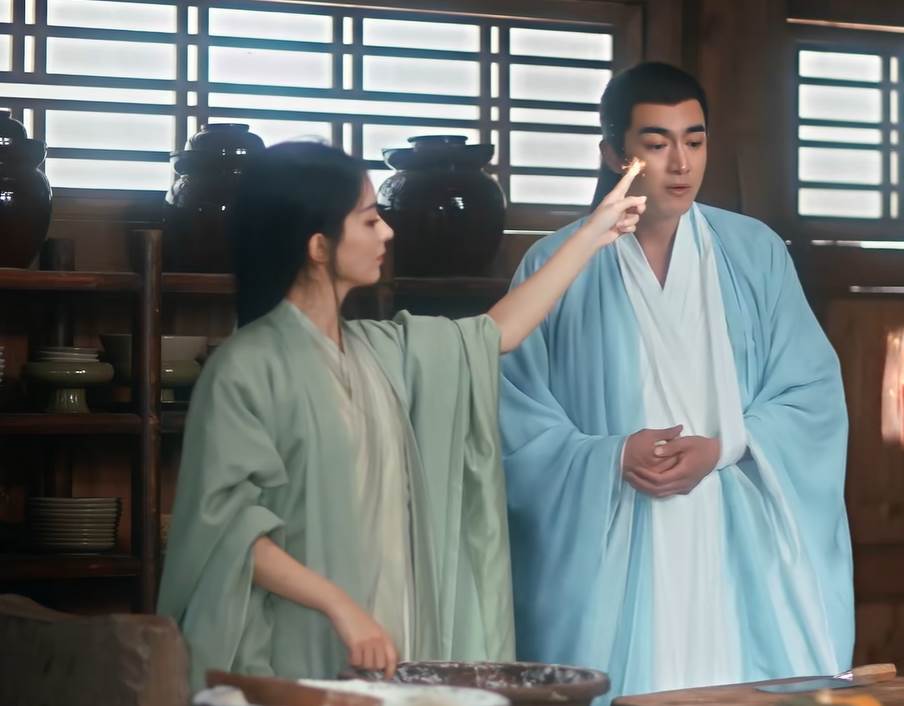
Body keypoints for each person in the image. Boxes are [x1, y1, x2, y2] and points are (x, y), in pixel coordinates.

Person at [157, 141, 646, 688]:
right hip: (294, 642)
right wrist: (339, 605)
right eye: (369, 219)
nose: (387, 232)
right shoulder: (245, 367)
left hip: (387, 633)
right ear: (319, 246)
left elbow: (498, 333)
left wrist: (592, 233)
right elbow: (226, 529)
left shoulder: (380, 351)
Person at [498, 62, 854, 701]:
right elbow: (514, 417)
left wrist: (725, 446)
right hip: (613, 528)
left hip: (734, 523)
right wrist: (611, 455)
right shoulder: (555, 263)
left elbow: (812, 393)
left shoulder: (754, 252)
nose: (681, 163)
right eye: (657, 144)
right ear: (615, 153)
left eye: (695, 140)